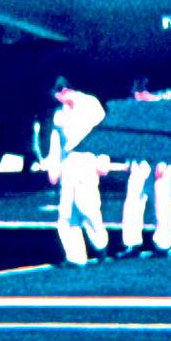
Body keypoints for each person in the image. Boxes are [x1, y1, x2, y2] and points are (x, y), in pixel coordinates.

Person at [43, 82, 110, 267]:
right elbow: (56, 141)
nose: (59, 100)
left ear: (65, 91)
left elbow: (104, 133)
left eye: (59, 95)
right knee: (66, 213)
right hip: (69, 162)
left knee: (87, 206)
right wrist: (53, 167)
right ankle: (75, 256)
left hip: (87, 159)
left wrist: (103, 160)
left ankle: (100, 243)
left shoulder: (90, 104)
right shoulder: (60, 114)